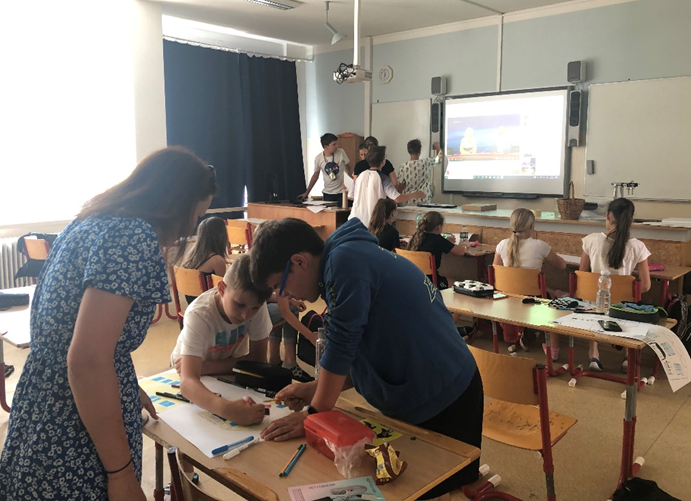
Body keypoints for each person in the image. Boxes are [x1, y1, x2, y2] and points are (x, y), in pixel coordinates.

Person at [0, 147, 217, 501]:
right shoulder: (133, 236)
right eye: (195, 214)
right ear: (174, 202)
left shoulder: (92, 220)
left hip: (46, 399)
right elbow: (87, 361)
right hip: (72, 425)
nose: (191, 226)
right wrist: (121, 474)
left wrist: (122, 386)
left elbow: (77, 338)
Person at [249, 218, 483, 501]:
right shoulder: (340, 264)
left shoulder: (345, 262)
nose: (283, 295)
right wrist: (314, 388)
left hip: (447, 394)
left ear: (298, 262)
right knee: (403, 485)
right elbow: (358, 355)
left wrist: (313, 416)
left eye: (280, 285)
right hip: (421, 388)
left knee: (426, 487)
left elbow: (340, 347)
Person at [171, 255, 272, 425]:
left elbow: (258, 360)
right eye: (239, 305)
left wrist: (206, 367)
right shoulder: (199, 314)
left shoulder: (255, 304)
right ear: (222, 289)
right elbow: (187, 382)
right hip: (183, 370)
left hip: (215, 369)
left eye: (254, 308)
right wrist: (226, 410)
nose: (245, 315)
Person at [580, 198, 651, 372]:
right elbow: (646, 286)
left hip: (594, 302)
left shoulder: (590, 240)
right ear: (631, 220)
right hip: (622, 307)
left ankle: (594, 354)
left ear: (608, 215)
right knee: (632, 306)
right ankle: (627, 356)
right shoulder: (638, 246)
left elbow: (582, 276)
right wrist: (627, 292)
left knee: (592, 302)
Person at [492, 208, 567, 350]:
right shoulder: (540, 246)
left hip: (507, 299)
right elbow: (562, 265)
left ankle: (525, 334)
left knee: (535, 286)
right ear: (532, 225)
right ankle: (553, 348)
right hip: (533, 301)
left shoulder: (502, 245)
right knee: (550, 298)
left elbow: (495, 271)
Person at [349, 146, 424, 228]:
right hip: (373, 222)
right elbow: (397, 198)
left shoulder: (360, 176)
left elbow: (351, 196)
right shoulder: (382, 178)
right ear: (383, 161)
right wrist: (415, 195)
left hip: (355, 221)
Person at [407, 211, 465, 290]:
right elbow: (461, 252)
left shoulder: (414, 237)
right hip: (430, 281)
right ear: (439, 227)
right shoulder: (438, 239)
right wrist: (449, 243)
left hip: (413, 278)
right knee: (456, 283)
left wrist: (447, 242)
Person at [181, 216, 229, 304]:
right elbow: (223, 291)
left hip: (193, 305)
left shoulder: (191, 256)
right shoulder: (217, 260)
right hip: (208, 306)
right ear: (221, 236)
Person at [267, 295, 316, 383]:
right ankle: (290, 362)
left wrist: (291, 301)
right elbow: (284, 311)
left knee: (280, 303)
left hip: (258, 305)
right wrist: (310, 336)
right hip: (256, 311)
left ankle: (274, 360)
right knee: (290, 308)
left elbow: (267, 295)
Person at [299, 133, 351, 202]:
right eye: (334, 144)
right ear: (326, 147)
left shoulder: (341, 152)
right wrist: (307, 192)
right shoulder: (318, 158)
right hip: (328, 193)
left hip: (341, 192)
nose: (337, 146)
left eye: (336, 143)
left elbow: (349, 167)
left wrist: (353, 184)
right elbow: (315, 176)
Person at [397, 139, 442, 204]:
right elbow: (439, 158)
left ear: (408, 151)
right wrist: (437, 147)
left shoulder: (403, 166)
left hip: (408, 201)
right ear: (420, 151)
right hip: (424, 200)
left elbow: (401, 186)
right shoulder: (426, 162)